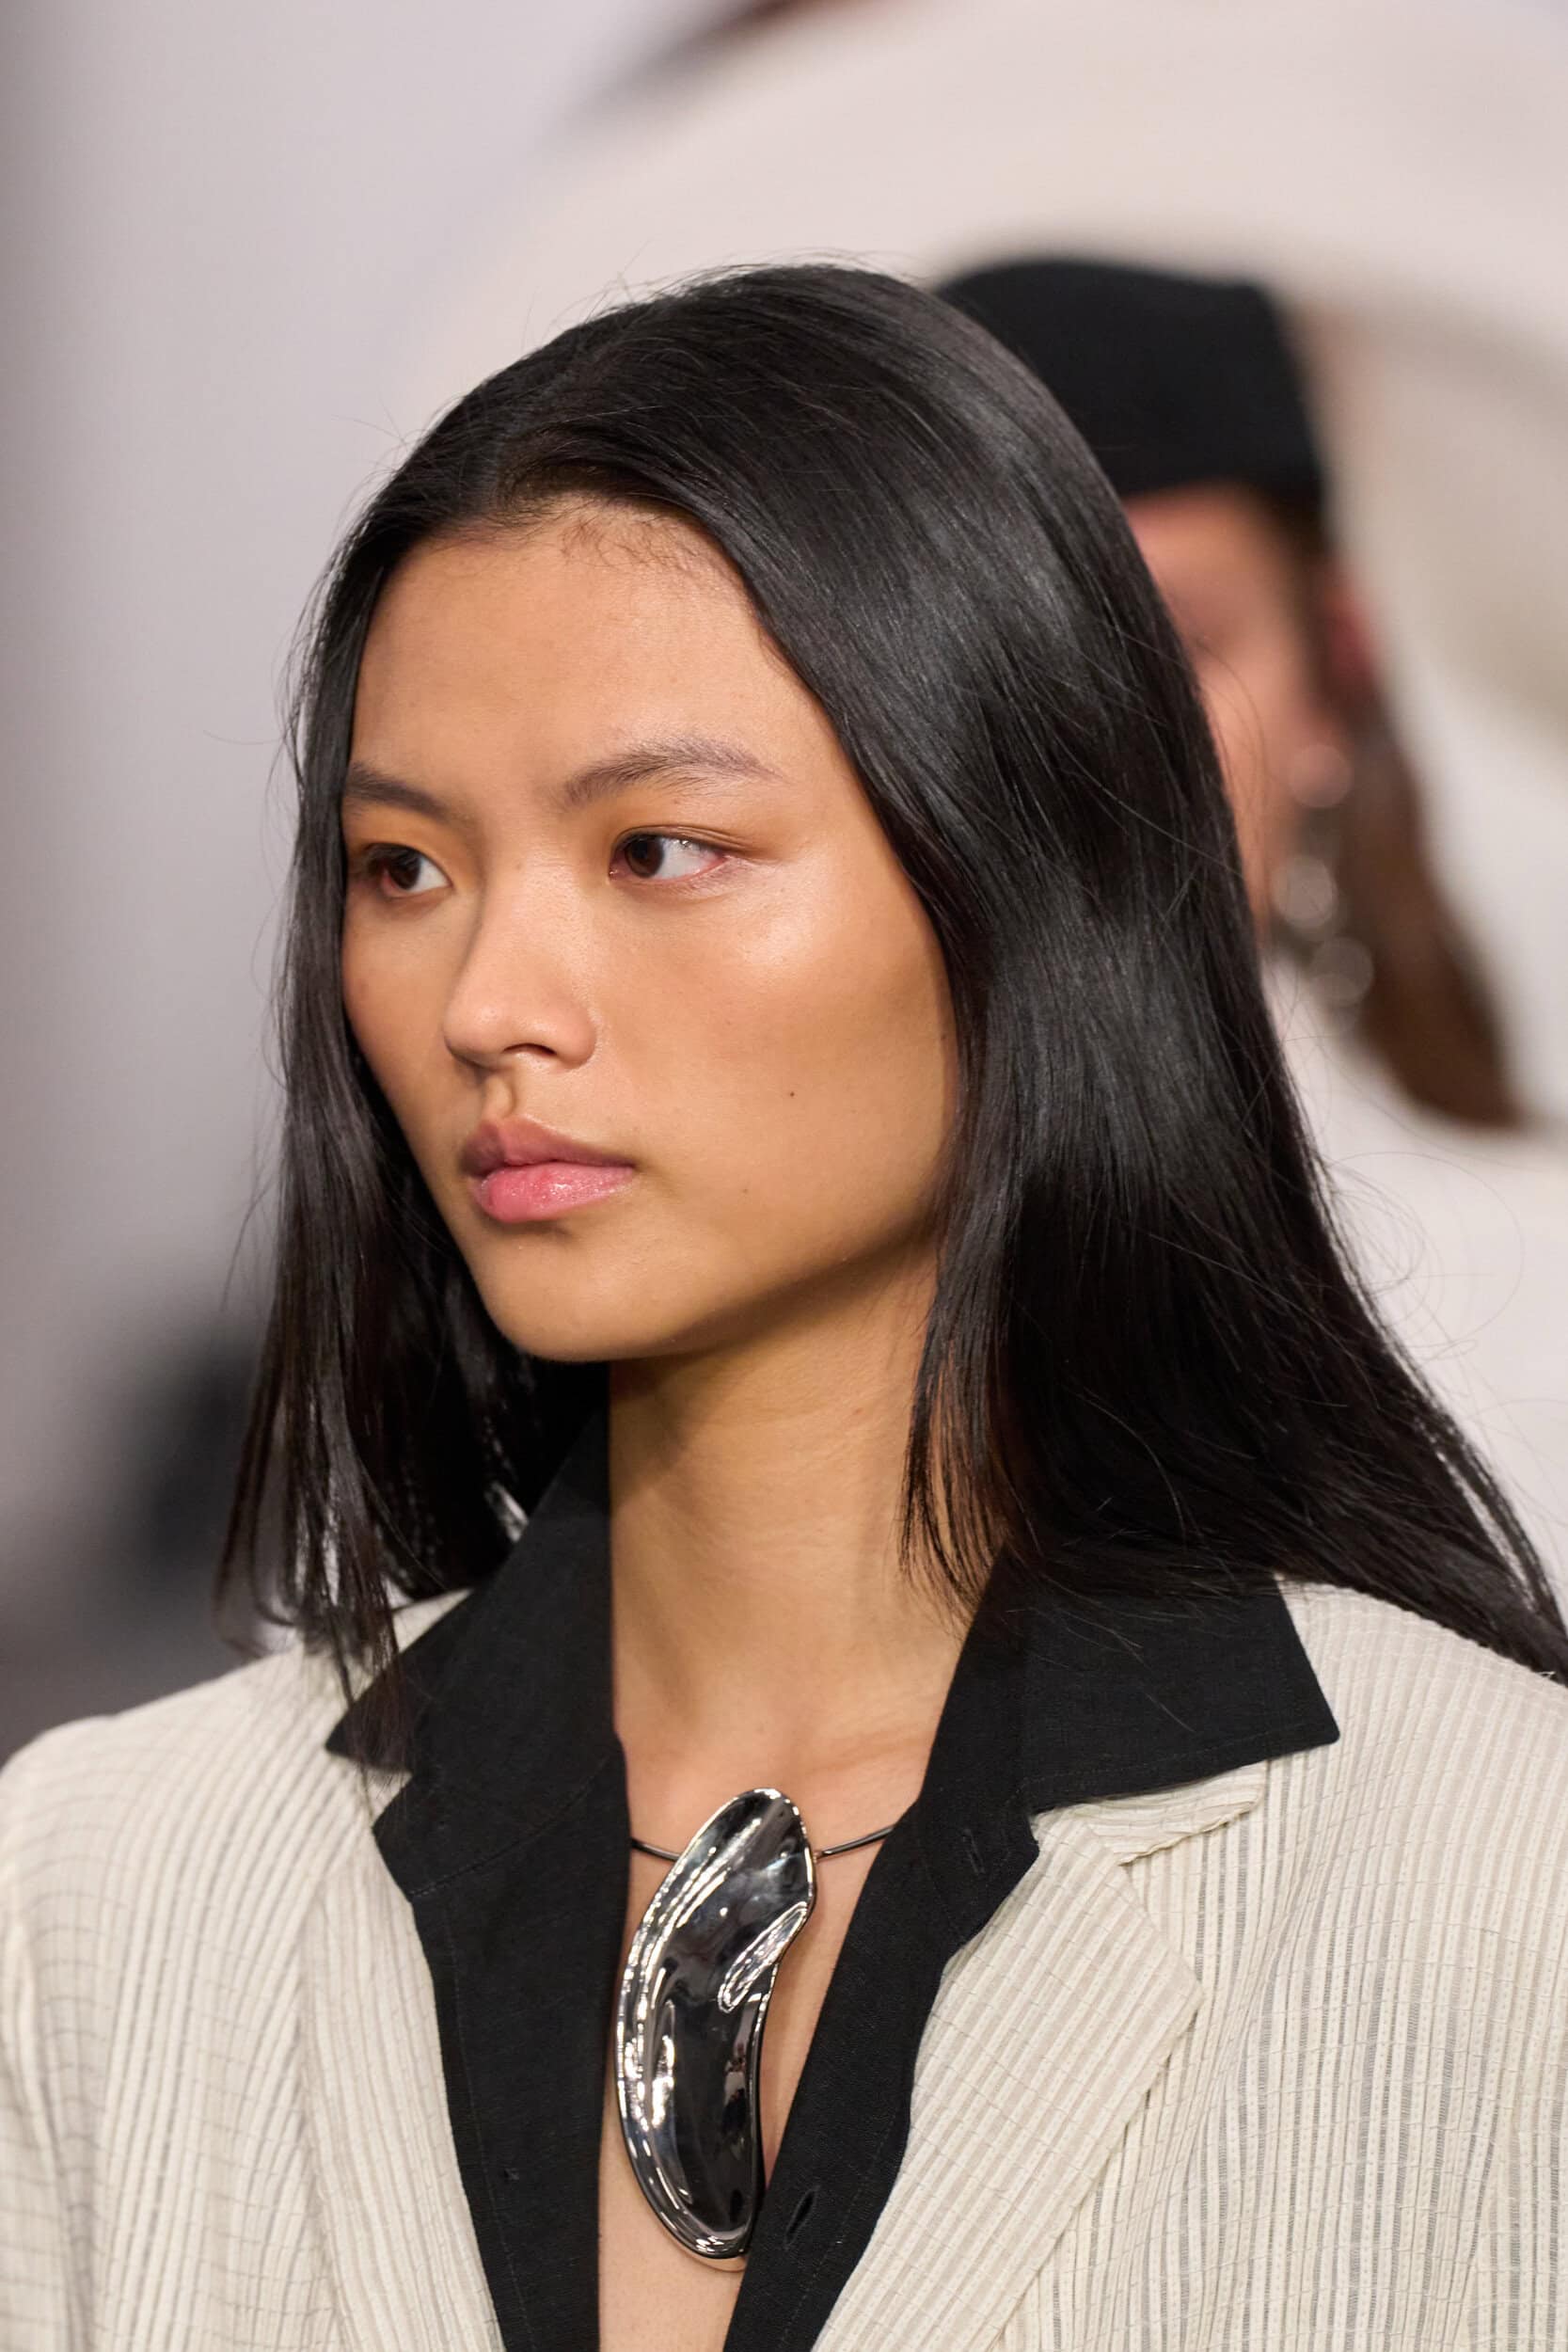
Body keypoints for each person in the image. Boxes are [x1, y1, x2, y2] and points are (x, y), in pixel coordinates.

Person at [3, 263, 1566, 2352]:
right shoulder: (101, 1893)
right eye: (403, 868)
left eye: (660, 848)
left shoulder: (1497, 1889)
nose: (488, 1004)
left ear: (1026, 868)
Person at [940, 255, 1568, 1591]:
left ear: (1334, 670)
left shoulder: (1537, 1292)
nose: (1106, 730)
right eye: (1016, 650)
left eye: (1180, 638)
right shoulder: (723, 1252)